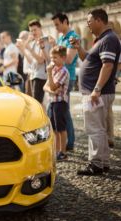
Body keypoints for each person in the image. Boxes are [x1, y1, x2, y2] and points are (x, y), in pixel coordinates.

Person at [71, 9, 121, 175]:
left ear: (99, 20)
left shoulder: (109, 39)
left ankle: (96, 164)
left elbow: (107, 65)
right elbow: (88, 60)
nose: (88, 24)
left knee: (94, 129)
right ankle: (104, 162)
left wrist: (96, 89)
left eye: (90, 21)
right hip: (96, 92)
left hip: (97, 93)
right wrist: (79, 48)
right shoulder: (102, 40)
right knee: (99, 127)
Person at [52, 13, 78, 151]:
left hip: (68, 76)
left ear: (65, 22)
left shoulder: (73, 38)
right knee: (63, 111)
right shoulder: (61, 38)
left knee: (64, 111)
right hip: (59, 76)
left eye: (57, 24)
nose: (56, 27)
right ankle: (68, 142)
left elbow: (67, 59)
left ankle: (70, 142)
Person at [43, 46, 69, 161]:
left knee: (61, 128)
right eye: (51, 57)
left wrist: (49, 73)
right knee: (53, 128)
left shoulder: (63, 71)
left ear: (63, 58)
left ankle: (63, 152)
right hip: (52, 102)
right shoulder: (54, 70)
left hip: (60, 103)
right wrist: (51, 90)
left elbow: (53, 86)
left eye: (55, 57)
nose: (52, 60)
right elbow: (46, 87)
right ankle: (57, 150)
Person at [26, 20, 51, 104]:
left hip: (41, 76)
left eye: (35, 30)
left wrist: (29, 49)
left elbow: (41, 60)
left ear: (40, 29)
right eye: (31, 31)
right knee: (36, 103)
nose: (33, 32)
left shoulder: (45, 41)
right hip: (33, 75)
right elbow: (32, 61)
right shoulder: (33, 43)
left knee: (38, 103)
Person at [16, 30, 32, 95]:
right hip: (23, 75)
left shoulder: (29, 47)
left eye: (21, 38)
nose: (19, 40)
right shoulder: (23, 48)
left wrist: (23, 49)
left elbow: (30, 61)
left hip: (29, 75)